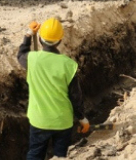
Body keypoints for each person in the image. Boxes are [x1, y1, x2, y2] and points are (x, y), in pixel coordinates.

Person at [17, 17, 88, 159]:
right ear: (60, 40)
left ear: (41, 40)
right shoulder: (68, 64)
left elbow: (21, 54)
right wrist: (82, 118)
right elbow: (75, 96)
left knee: (35, 153)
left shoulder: (32, 59)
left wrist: (28, 34)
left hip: (39, 120)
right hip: (63, 121)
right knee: (60, 155)